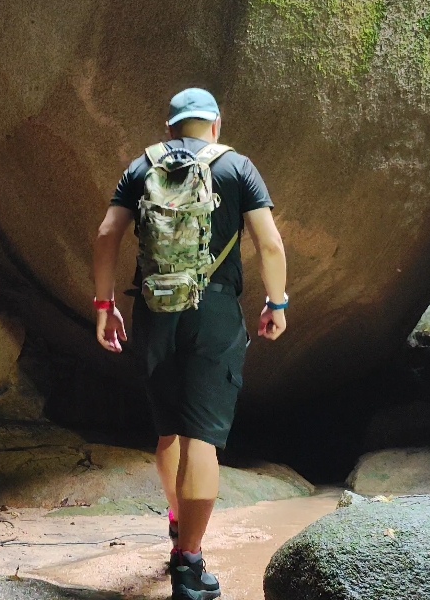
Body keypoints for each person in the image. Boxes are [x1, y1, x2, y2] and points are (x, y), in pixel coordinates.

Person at [90, 87, 288, 600]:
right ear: (215, 124)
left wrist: (104, 305)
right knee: (201, 439)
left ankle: (178, 517)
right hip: (213, 312)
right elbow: (269, 241)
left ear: (172, 126)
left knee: (169, 431)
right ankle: (190, 563)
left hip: (154, 311)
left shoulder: (141, 167)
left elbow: (107, 234)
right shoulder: (237, 168)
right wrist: (277, 302)